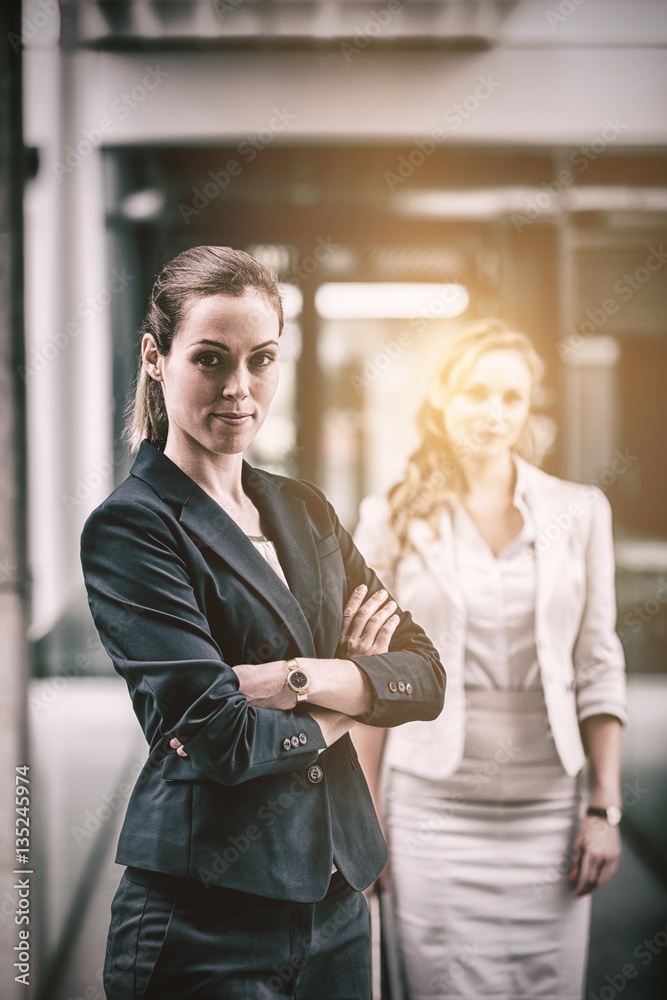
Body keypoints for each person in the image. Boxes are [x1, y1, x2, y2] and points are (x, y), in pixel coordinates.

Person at [80, 246, 445, 1000]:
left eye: (262, 359)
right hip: (205, 916)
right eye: (210, 359)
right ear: (156, 357)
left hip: (337, 904)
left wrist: (294, 678)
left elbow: (422, 675)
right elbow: (222, 736)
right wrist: (354, 681)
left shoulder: (303, 510)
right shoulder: (133, 528)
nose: (238, 389)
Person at [352, 319, 627, 1000]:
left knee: (547, 987)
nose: (494, 413)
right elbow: (368, 679)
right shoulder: (389, 518)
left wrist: (604, 808)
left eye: (512, 397)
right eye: (476, 392)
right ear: (441, 398)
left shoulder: (579, 511)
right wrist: (363, 815)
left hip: (548, 813)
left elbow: (597, 663)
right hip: (432, 810)